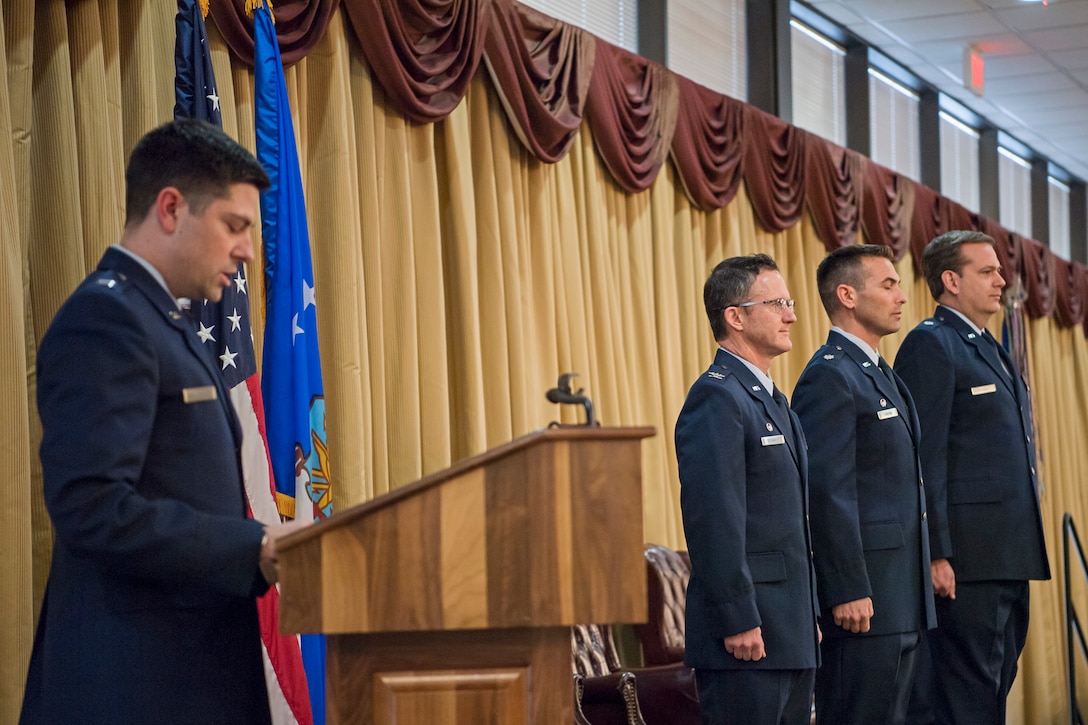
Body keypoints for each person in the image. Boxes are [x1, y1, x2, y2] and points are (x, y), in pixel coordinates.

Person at [20, 119, 308, 725]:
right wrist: (252, 545)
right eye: (235, 226)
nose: (248, 251)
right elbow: (91, 508)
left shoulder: (167, 322)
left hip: (189, 679)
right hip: (133, 686)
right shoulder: (105, 319)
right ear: (171, 208)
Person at [895, 230, 1050, 724]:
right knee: (966, 696)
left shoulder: (988, 347)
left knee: (993, 686)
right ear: (950, 281)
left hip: (1007, 554)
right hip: (966, 562)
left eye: (999, 270)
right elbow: (925, 458)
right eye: (987, 271)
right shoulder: (931, 344)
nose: (1001, 280)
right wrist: (937, 552)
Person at [791, 244, 936, 724]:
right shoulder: (830, 376)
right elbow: (828, 493)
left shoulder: (879, 374)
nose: (901, 296)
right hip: (866, 599)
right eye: (888, 284)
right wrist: (847, 586)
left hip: (901, 594)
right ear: (847, 295)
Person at [676, 254, 820, 725]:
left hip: (789, 629)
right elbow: (714, 519)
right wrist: (736, 617)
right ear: (735, 317)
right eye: (777, 302)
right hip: (746, 634)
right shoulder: (717, 395)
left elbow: (792, 522)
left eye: (790, 301)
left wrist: (808, 613)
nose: (791, 315)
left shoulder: (773, 400)